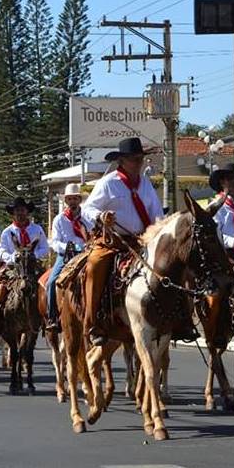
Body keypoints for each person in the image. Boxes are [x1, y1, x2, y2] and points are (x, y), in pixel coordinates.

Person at [81, 137, 163, 346]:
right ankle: (93, 323)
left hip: (142, 241)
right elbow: (87, 209)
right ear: (123, 161)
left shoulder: (146, 185)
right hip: (113, 241)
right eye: (134, 159)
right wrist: (101, 217)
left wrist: (159, 230)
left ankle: (174, 319)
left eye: (140, 159)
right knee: (95, 265)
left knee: (169, 265)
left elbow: (156, 214)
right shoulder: (109, 183)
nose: (139, 163)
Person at [46, 183, 90, 330]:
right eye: (69, 199)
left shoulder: (87, 218)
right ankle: (52, 317)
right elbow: (54, 242)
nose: (72, 202)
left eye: (75, 198)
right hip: (66, 256)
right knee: (52, 282)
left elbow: (93, 236)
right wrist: (68, 247)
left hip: (86, 254)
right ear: (66, 201)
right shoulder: (59, 219)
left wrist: (85, 246)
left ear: (79, 200)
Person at [0, 197, 50, 264]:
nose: (20, 213)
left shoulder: (37, 229)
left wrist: (34, 255)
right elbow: (1, 252)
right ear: (13, 213)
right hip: (14, 267)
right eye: (17, 210)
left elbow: (45, 248)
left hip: (35, 264)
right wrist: (13, 257)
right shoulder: (7, 232)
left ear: (27, 212)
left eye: (22, 210)